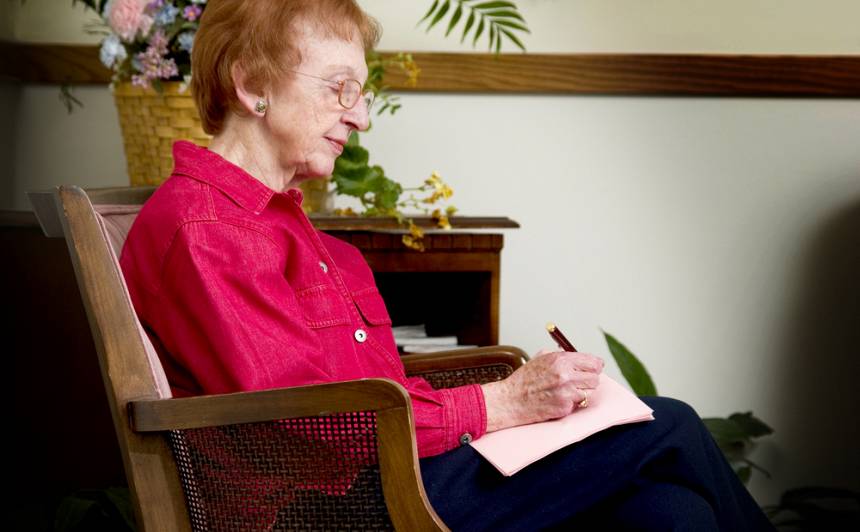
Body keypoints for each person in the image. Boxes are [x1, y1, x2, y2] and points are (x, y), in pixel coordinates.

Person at [120, 1, 774, 530]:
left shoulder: (286, 228)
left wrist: (509, 407)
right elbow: (310, 422)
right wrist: (500, 403)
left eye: (362, 93)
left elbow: (364, 394)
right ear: (251, 84)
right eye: (341, 88)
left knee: (669, 511)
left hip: (389, 473)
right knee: (671, 424)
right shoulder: (205, 228)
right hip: (338, 508)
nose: (360, 116)